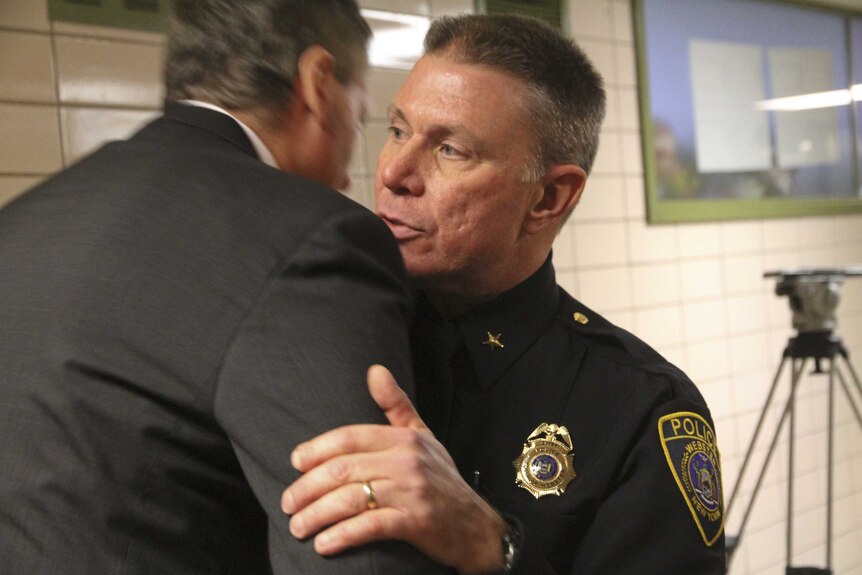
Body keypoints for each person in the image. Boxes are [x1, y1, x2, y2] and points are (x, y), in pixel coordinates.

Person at [0, 1, 448, 573]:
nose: (349, 174)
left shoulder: (24, 220)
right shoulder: (313, 238)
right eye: (361, 120)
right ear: (317, 84)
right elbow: (360, 556)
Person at [281, 14, 726, 575]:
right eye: (398, 130)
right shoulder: (329, 328)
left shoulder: (641, 411)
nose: (394, 172)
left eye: (451, 151)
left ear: (548, 198)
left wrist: (496, 549)